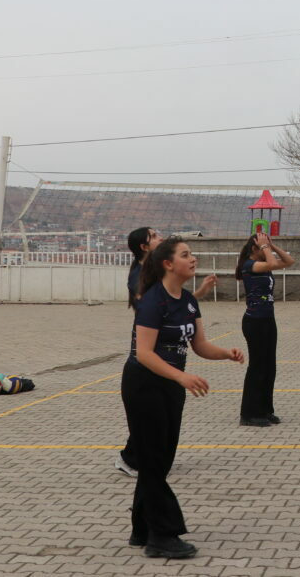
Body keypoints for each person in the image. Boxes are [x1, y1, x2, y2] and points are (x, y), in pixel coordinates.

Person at [125, 236, 241, 559]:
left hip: (171, 387)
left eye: (192, 255)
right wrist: (182, 376)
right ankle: (162, 535)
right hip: (144, 385)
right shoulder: (152, 301)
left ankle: (140, 528)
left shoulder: (188, 300)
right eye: (186, 255)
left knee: (159, 459)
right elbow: (144, 354)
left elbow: (200, 345)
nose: (193, 259)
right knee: (151, 460)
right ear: (168, 263)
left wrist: (226, 354)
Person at [116, 226, 163, 478]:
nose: (161, 238)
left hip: (162, 344)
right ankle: (129, 457)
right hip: (145, 347)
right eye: (155, 236)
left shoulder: (157, 269)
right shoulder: (139, 274)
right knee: (147, 406)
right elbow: (146, 302)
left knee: (160, 407)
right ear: (144, 247)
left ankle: (147, 454)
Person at [236, 230, 295, 427]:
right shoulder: (250, 265)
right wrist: (265, 248)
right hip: (254, 322)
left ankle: (266, 409)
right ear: (255, 248)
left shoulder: (264, 264)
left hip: (268, 319)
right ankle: (249, 413)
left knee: (270, 367)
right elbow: (271, 263)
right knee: (258, 366)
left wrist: (272, 245)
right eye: (263, 247)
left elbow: (289, 262)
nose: (267, 250)